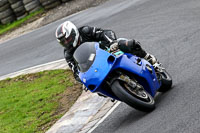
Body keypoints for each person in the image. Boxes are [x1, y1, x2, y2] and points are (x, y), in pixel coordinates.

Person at [55, 21, 159, 82]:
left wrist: (112, 42)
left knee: (128, 43)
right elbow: (75, 71)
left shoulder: (85, 31)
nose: (66, 43)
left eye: (67, 39)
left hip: (108, 50)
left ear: (73, 33)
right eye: (63, 42)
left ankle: (149, 59)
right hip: (95, 66)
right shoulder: (68, 53)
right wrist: (82, 79)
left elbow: (105, 32)